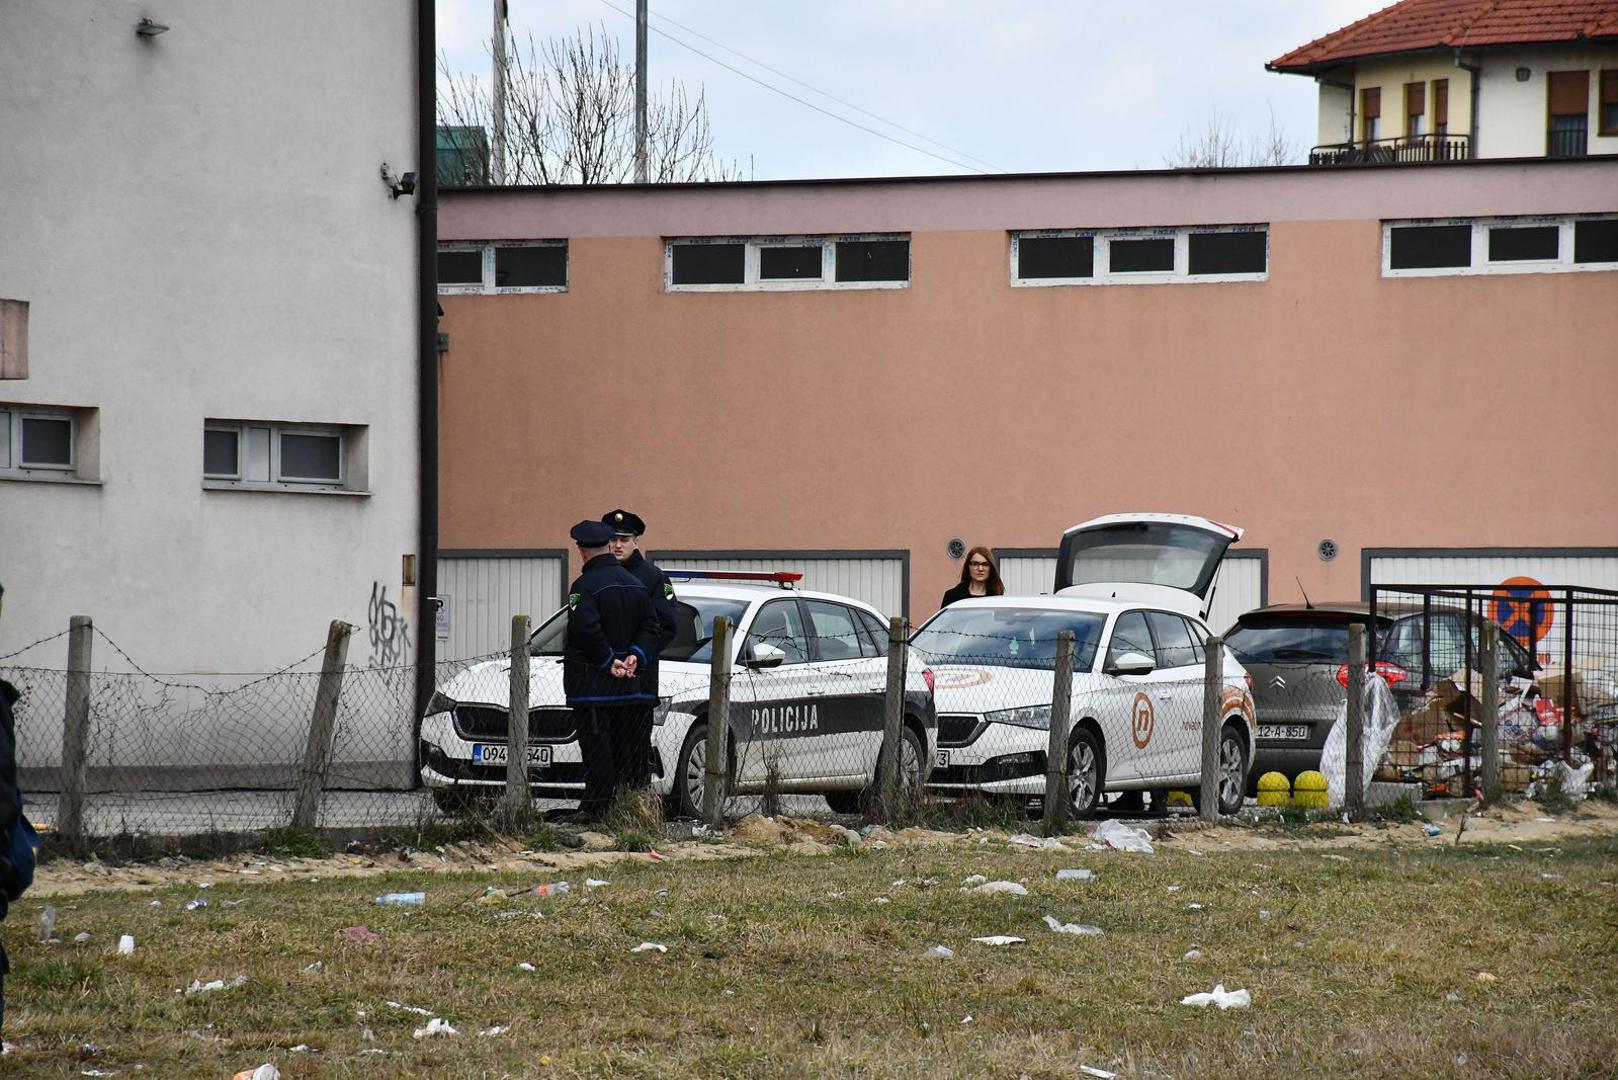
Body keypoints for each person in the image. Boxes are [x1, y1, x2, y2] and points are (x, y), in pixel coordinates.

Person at [561, 520, 661, 824]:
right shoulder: (636, 584)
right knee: (629, 752)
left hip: (593, 688)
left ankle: (595, 809)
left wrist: (608, 661)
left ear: (581, 551)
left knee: (597, 751)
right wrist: (635, 656)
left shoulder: (584, 586)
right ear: (607, 546)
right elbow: (652, 627)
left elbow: (585, 630)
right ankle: (628, 810)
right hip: (632, 688)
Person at [601, 509, 678, 790]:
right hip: (602, 681)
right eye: (612, 539)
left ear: (636, 542)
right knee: (604, 753)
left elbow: (667, 625)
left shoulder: (653, 578)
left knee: (634, 752)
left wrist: (639, 655)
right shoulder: (598, 575)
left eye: (624, 539)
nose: (617, 545)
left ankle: (634, 804)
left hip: (638, 683)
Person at [940, 546, 1005, 608]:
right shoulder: (952, 596)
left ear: (991, 568)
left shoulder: (997, 597)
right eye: (975, 564)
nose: (980, 569)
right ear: (968, 567)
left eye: (985, 564)